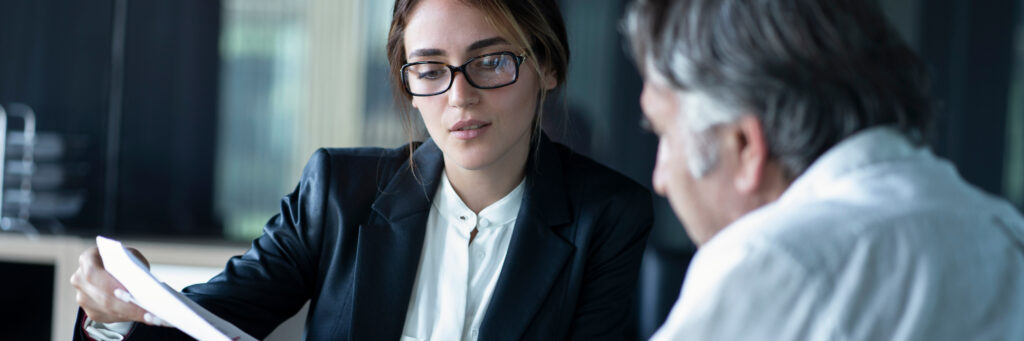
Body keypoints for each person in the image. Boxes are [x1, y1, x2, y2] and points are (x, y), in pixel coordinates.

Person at [70, 0, 654, 339]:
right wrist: (113, 311)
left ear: (547, 66)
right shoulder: (338, 193)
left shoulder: (607, 217)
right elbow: (204, 323)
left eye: (492, 61)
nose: (459, 97)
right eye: (430, 69)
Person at [624, 0, 1024, 339]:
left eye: (664, 134)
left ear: (745, 146)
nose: (659, 179)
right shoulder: (1004, 235)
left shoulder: (769, 262)